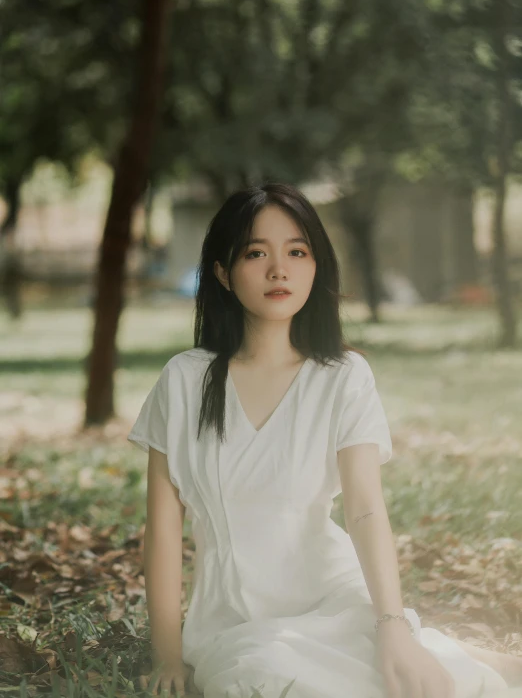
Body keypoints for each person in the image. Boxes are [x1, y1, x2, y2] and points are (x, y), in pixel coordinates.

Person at [128, 183, 522, 698]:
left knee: (427, 679)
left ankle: (457, 655)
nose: (279, 269)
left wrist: (391, 625)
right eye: (255, 253)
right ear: (222, 273)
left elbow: (364, 511)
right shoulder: (184, 381)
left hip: (335, 597)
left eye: (297, 252)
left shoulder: (343, 377)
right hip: (234, 622)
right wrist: (168, 656)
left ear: (317, 267)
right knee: (260, 678)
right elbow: (162, 532)